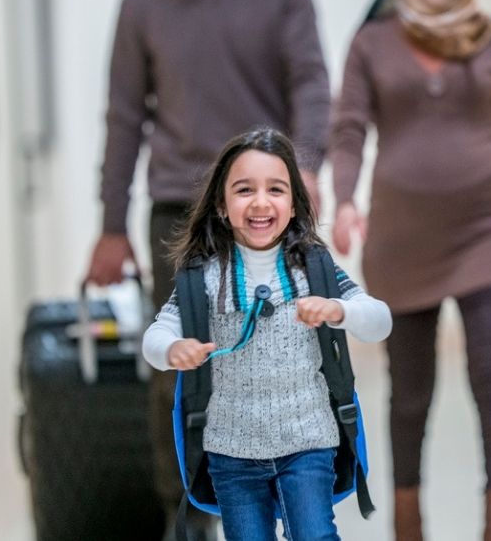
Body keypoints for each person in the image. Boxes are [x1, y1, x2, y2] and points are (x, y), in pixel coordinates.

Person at [84, 0, 332, 534]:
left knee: (280, 351)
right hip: (178, 209)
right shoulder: (141, 3)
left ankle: (281, 495)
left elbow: (309, 83)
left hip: (267, 203)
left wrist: (305, 171)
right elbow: (122, 118)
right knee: (178, 359)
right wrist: (112, 225)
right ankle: (189, 510)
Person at [328, 0, 491, 539]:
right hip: (402, 240)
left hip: (489, 230)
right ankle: (409, 523)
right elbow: (348, 130)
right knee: (410, 394)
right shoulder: (371, 41)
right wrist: (344, 200)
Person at [141, 128, 391, 541]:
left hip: (309, 440)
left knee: (314, 534)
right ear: (221, 205)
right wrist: (173, 348)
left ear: (294, 204)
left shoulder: (313, 269)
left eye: (276, 189)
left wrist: (339, 310)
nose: (260, 202)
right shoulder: (203, 277)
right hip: (231, 452)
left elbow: (379, 318)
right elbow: (156, 335)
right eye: (244, 190)